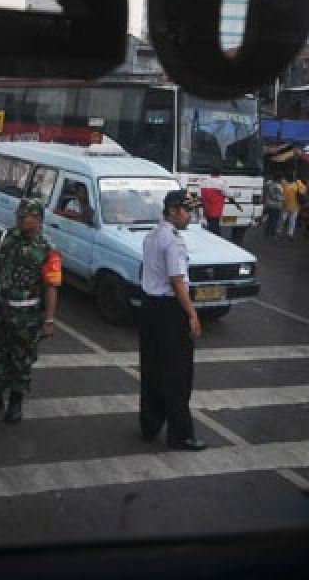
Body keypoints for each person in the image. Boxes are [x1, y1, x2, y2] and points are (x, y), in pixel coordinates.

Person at [0, 197, 62, 424]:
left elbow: (51, 287)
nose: (20, 220)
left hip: (26, 315)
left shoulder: (48, 250)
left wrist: (49, 320)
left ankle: (15, 403)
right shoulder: (9, 237)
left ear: (38, 219)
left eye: (25, 217)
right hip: (0, 309)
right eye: (19, 216)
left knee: (20, 360)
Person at [137, 189, 206, 451]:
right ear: (174, 211)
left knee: (152, 369)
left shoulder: (152, 235)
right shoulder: (174, 241)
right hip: (169, 311)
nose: (190, 216)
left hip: (149, 307)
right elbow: (178, 282)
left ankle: (150, 424)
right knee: (178, 376)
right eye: (187, 211)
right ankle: (181, 435)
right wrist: (192, 314)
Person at [198, 170, 229, 236]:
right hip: (216, 209)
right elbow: (227, 194)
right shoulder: (222, 183)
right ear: (219, 174)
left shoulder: (204, 182)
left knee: (210, 224)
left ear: (211, 174)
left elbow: (200, 196)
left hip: (207, 208)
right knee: (215, 228)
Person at [280, 173, 304, 240]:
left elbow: (303, 192)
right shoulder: (283, 182)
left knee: (292, 221)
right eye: (290, 175)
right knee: (282, 219)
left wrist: (300, 191)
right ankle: (278, 231)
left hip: (295, 205)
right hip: (285, 204)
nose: (291, 176)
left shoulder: (298, 182)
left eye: (293, 175)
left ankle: (290, 234)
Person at [263, 173, 284, 238]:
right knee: (274, 219)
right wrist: (283, 198)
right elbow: (276, 197)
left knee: (270, 218)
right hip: (276, 205)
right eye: (281, 179)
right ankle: (271, 232)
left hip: (268, 204)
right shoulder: (278, 186)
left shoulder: (268, 184)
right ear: (278, 179)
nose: (281, 180)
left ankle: (267, 231)